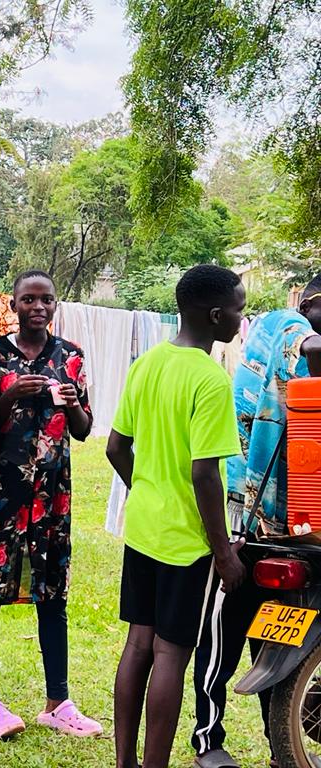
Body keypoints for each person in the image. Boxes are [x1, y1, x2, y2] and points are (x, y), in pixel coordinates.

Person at [107, 264, 247, 768]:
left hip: (142, 528)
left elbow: (116, 447)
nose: (240, 317)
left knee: (138, 644)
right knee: (170, 654)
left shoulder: (147, 363)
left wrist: (146, 489)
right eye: (237, 307)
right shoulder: (211, 379)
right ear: (214, 315)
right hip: (188, 542)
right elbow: (205, 475)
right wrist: (224, 552)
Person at [190, 275, 321, 768]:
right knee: (222, 639)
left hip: (300, 519)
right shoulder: (280, 326)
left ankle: (280, 744)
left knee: (277, 638)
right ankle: (208, 741)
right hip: (247, 518)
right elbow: (310, 345)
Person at [0, 270, 102, 740]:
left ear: (55, 304)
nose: (38, 307)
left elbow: (84, 430)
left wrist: (73, 405)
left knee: (53, 594)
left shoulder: (71, 357)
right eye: (29, 300)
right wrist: (10, 395)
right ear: (14, 305)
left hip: (52, 498)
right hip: (0, 494)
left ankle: (57, 701)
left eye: (46, 299)